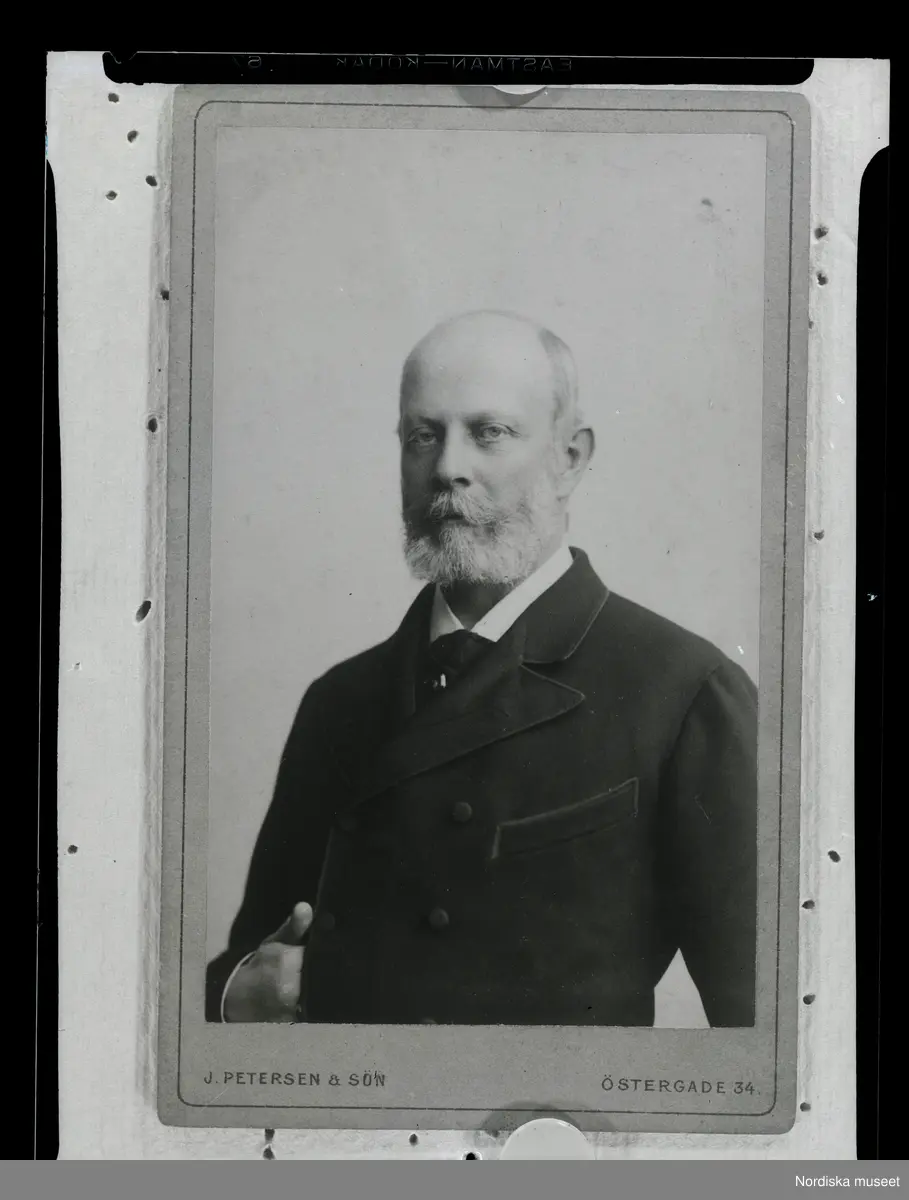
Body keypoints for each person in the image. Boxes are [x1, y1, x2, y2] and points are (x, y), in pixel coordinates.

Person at [206, 309, 758, 1028]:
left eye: (489, 432)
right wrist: (235, 995)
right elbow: (254, 958)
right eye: (422, 436)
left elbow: (764, 1034)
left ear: (570, 458)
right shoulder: (339, 700)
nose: (447, 468)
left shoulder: (684, 692)